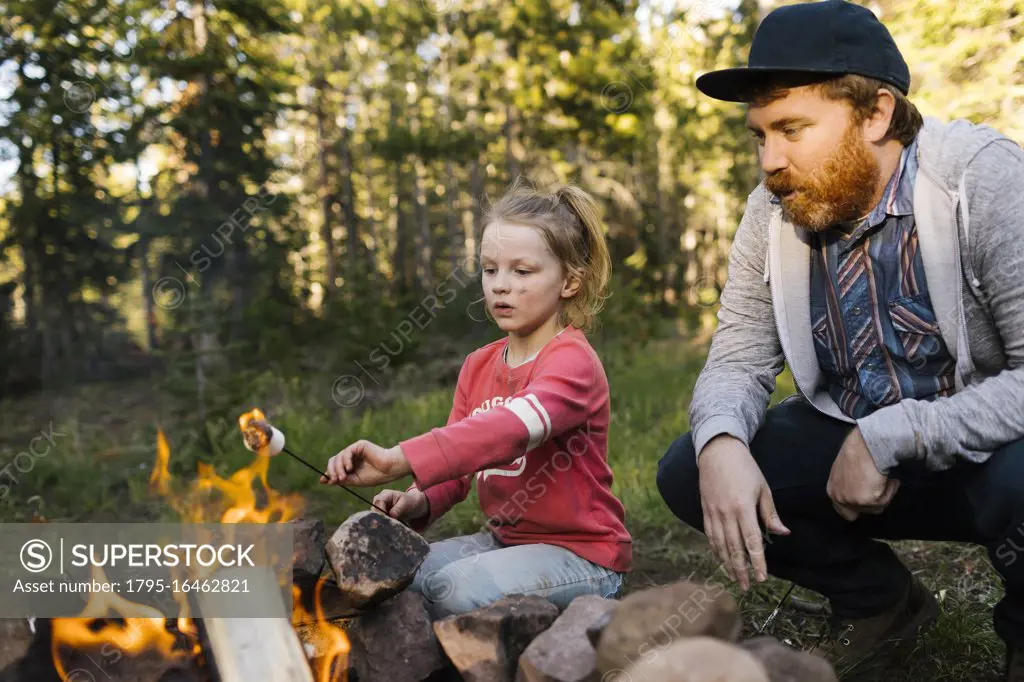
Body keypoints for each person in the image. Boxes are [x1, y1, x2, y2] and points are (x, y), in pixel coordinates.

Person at [654, 1, 1024, 678]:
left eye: (792, 129)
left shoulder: (985, 179)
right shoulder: (773, 207)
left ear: (877, 113)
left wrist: (890, 436)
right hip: (851, 457)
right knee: (689, 467)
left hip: (987, 457)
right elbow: (738, 352)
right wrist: (723, 442)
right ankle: (882, 602)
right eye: (759, 135)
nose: (770, 160)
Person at [320, 182, 632, 619]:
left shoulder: (572, 362)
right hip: (506, 541)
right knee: (411, 577)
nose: (501, 286)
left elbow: (508, 431)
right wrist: (418, 498)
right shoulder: (478, 365)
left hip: (582, 556)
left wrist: (398, 458)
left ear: (569, 282)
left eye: (522, 272)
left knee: (452, 592)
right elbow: (459, 465)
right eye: (490, 270)